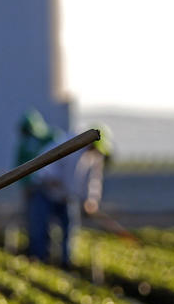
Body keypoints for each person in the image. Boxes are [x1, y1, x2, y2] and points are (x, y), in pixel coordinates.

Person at [17, 111, 107, 267]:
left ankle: (66, 264)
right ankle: (40, 261)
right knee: (41, 228)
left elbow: (93, 181)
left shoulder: (95, 157)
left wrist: (91, 200)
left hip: (67, 196)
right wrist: (52, 181)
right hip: (46, 191)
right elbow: (46, 168)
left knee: (69, 229)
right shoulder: (67, 145)